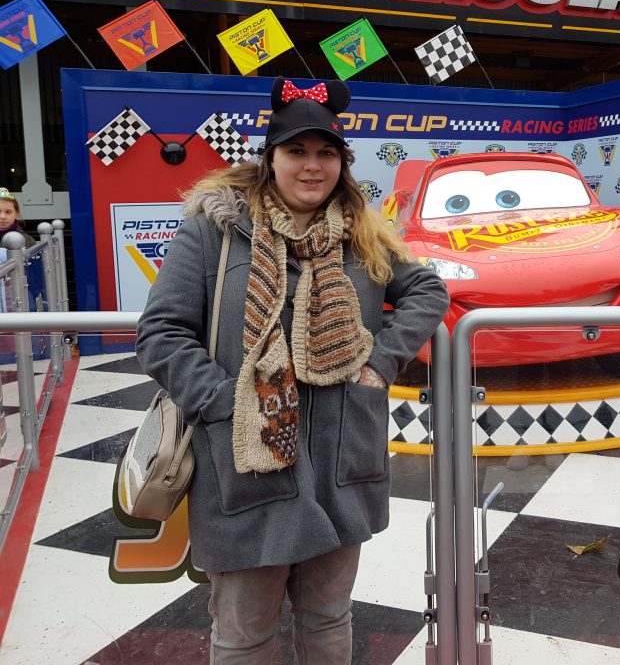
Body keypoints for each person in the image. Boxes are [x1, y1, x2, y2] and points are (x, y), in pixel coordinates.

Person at [136, 77, 449, 664]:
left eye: (326, 153)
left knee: (329, 619)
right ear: (269, 158)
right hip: (247, 462)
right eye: (297, 152)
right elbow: (160, 332)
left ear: (342, 162)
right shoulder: (214, 230)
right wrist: (229, 401)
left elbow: (427, 289)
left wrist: (380, 364)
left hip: (338, 458)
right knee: (244, 632)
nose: (312, 166)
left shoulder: (362, 234)